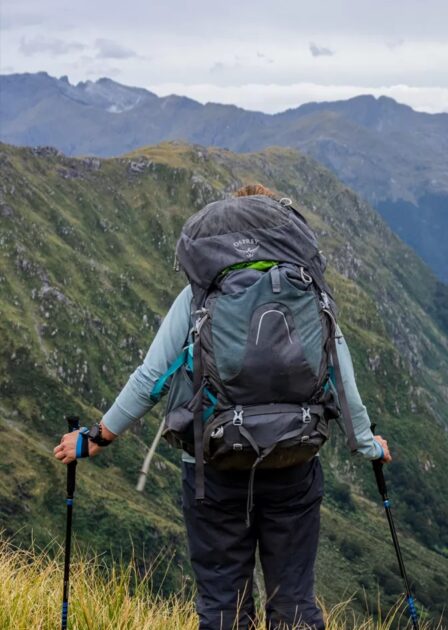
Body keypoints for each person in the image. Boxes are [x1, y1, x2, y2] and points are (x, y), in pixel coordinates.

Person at [52, 184, 391, 630]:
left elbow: (150, 380)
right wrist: (368, 446)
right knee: (293, 604)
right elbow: (342, 381)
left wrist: (97, 438)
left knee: (222, 607)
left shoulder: (198, 297)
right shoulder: (309, 293)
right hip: (293, 463)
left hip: (212, 470)